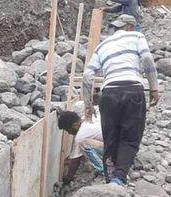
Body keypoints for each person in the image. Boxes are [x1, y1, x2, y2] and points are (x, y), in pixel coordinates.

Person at [82, 14, 160, 186]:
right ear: (130, 27)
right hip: (132, 89)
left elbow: (87, 76)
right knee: (130, 138)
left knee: (111, 138)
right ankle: (119, 178)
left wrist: (88, 105)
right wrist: (154, 87)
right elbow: (147, 58)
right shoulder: (136, 36)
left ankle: (110, 177)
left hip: (108, 93)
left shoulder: (102, 46)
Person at [58, 110, 104, 185]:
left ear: (74, 125)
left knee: (84, 144)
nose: (69, 133)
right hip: (121, 143)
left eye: (68, 130)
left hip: (114, 148)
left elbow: (75, 161)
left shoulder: (81, 136)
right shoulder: (87, 118)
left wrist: (67, 179)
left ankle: (104, 171)